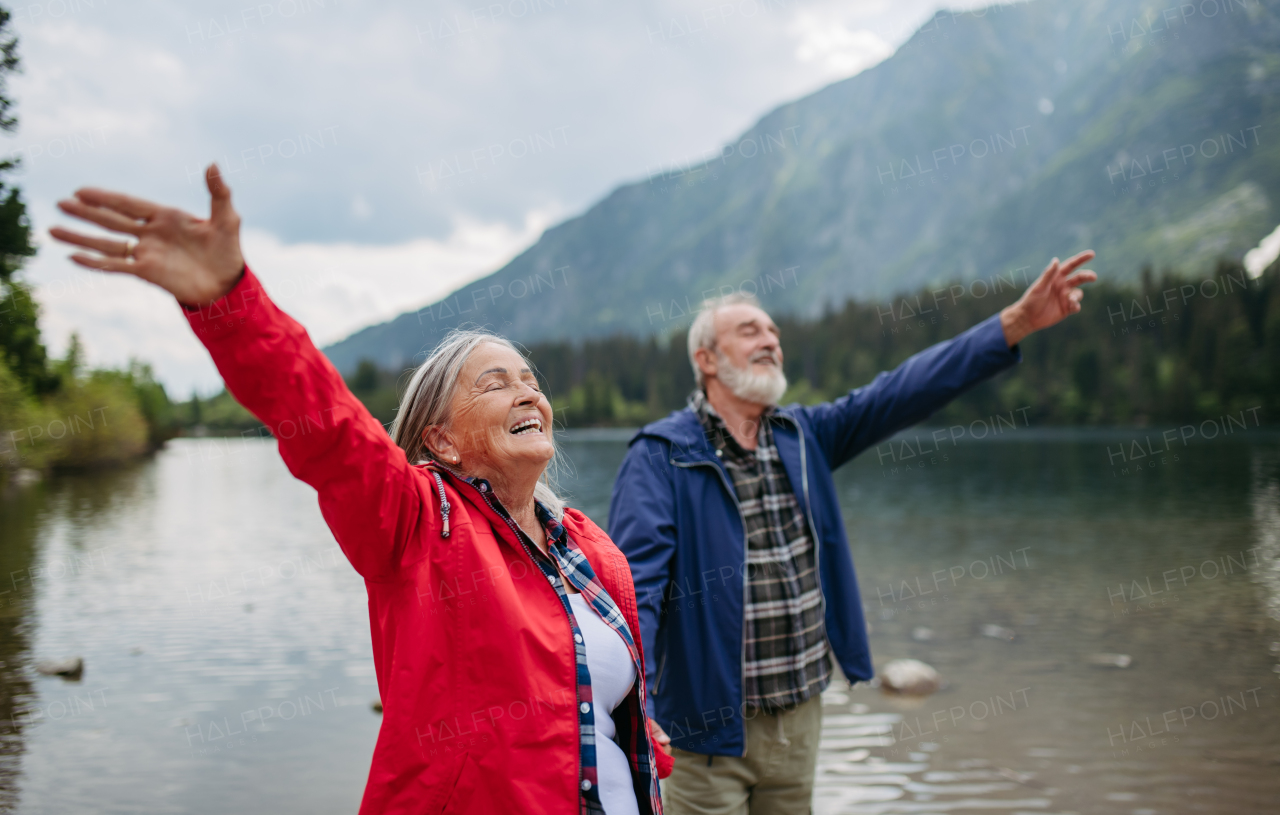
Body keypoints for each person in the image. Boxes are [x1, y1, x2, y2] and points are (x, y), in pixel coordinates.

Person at [50, 164, 672, 815]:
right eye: (493, 383)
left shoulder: (592, 548)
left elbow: (611, 709)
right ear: (442, 440)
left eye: (529, 379)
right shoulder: (417, 521)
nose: (526, 391)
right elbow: (328, 431)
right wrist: (232, 302)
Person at [608, 252, 1096, 814]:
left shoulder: (803, 436)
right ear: (707, 359)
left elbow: (900, 391)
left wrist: (1014, 325)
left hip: (800, 720)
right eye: (749, 331)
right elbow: (635, 589)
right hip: (705, 735)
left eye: (774, 331)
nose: (770, 340)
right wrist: (633, 700)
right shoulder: (662, 456)